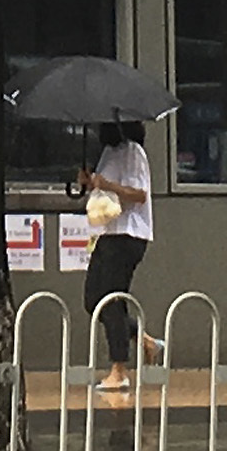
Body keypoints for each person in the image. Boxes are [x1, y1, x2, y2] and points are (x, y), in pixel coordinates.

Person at [81, 123, 152, 399]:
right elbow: (104, 191)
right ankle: (144, 339)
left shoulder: (133, 152)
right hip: (110, 232)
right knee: (93, 299)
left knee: (111, 298)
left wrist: (106, 183)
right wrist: (90, 183)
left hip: (129, 233)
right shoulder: (109, 152)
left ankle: (119, 370)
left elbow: (139, 195)